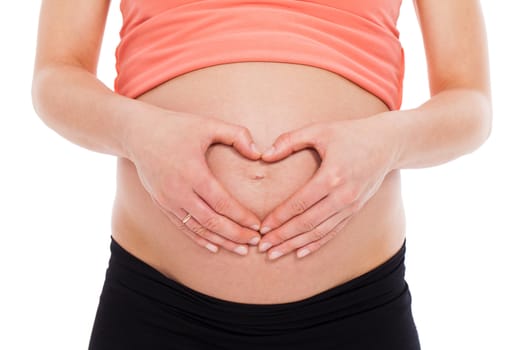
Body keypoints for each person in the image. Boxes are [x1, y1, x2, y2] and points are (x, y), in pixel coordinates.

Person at [31, 0, 491, 349]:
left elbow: (470, 103)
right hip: (158, 303)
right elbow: (55, 75)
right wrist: (133, 131)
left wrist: (389, 142)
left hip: (356, 306)